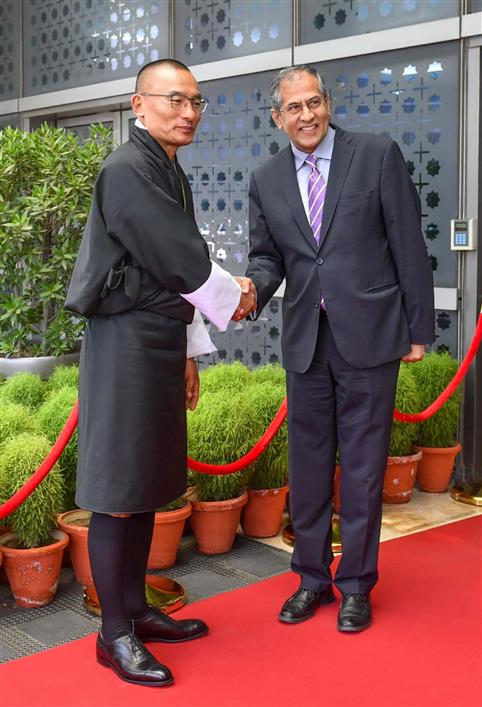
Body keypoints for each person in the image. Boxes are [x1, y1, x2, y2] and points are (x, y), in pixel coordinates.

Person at [65, 58, 256, 687]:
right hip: (122, 343)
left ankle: (139, 610)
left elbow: (170, 270)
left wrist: (187, 354)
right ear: (138, 104)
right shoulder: (127, 169)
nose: (188, 112)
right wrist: (237, 294)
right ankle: (111, 631)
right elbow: (181, 261)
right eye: (174, 100)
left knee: (147, 481)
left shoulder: (169, 171)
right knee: (119, 491)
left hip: (155, 342)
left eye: (196, 102)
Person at [244, 65, 434, 632]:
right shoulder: (266, 177)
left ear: (327, 103)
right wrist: (248, 292)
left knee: (362, 469)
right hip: (307, 343)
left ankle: (356, 584)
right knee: (305, 468)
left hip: (371, 339)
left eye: (313, 103)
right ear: (277, 118)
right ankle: (310, 579)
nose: (306, 116)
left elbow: (408, 244)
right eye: (293, 108)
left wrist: (417, 331)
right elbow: (268, 257)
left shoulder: (376, 155)